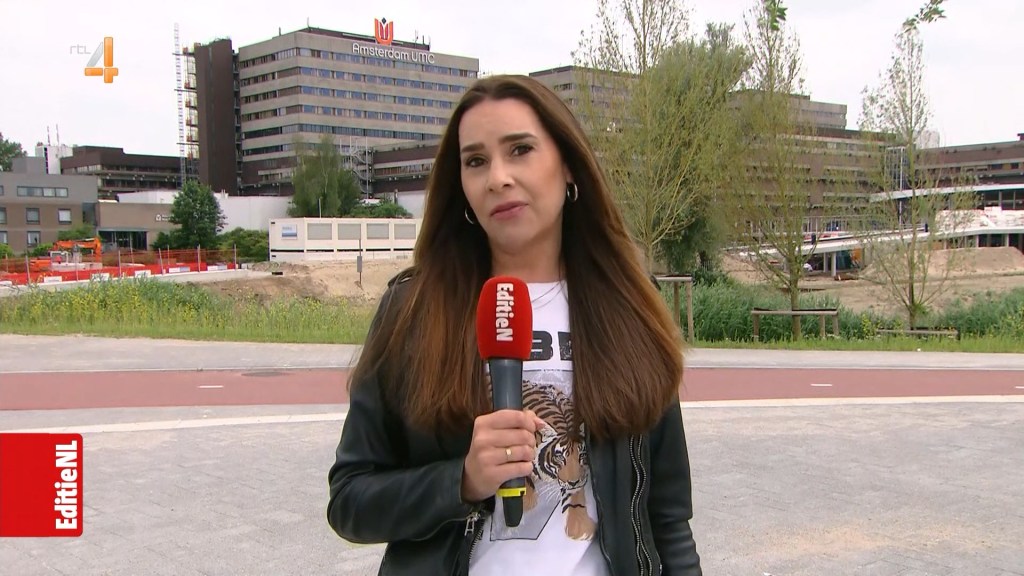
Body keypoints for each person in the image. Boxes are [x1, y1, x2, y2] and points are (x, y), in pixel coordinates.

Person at [327, 74, 702, 576]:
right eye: (476, 161)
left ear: (568, 166)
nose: (497, 178)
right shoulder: (412, 311)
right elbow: (350, 500)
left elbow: (668, 519)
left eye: (520, 150)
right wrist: (460, 481)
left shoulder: (629, 306)